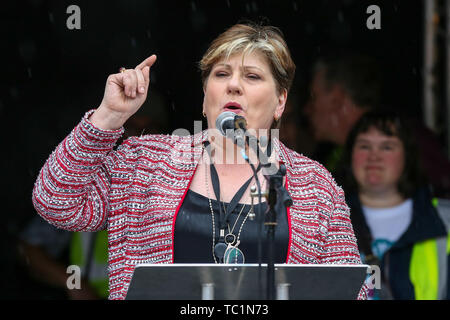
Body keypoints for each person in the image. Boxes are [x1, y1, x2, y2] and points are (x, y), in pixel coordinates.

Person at [32, 22, 367, 300]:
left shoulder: (315, 185)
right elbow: (55, 202)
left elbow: (354, 292)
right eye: (221, 74)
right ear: (206, 94)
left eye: (252, 76)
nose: (233, 85)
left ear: (281, 101)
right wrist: (107, 117)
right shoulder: (144, 162)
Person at [303, 53, 450, 199]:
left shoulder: (407, 138)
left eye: (313, 97)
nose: (307, 109)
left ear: (337, 99)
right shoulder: (336, 155)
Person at [340, 111, 449, 300]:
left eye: (387, 147)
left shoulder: (444, 220)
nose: (374, 157)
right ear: (350, 155)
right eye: (364, 146)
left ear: (408, 155)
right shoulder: (323, 219)